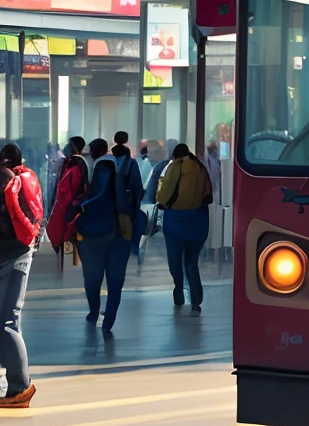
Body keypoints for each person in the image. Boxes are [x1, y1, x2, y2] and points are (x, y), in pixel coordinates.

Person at [73, 138, 142, 333]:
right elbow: (137, 195)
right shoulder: (128, 166)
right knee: (115, 278)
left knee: (92, 277)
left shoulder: (86, 168)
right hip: (121, 230)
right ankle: (109, 319)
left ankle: (93, 311)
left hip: (91, 231)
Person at [0, 145, 43, 408]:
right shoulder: (26, 176)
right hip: (21, 250)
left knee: (7, 321)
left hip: (7, 254)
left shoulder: (4, 178)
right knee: (8, 318)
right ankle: (17, 383)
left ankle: (19, 387)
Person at [155, 143, 212, 311]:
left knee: (175, 260)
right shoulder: (200, 167)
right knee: (191, 261)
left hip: (176, 221)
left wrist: (160, 201)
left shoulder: (175, 167)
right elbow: (209, 193)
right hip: (198, 221)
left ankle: (178, 291)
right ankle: (196, 297)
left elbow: (165, 193)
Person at [46, 137, 86, 263]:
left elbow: (67, 193)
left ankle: (70, 267)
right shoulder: (73, 165)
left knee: (68, 241)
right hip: (68, 209)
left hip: (67, 211)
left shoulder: (74, 167)